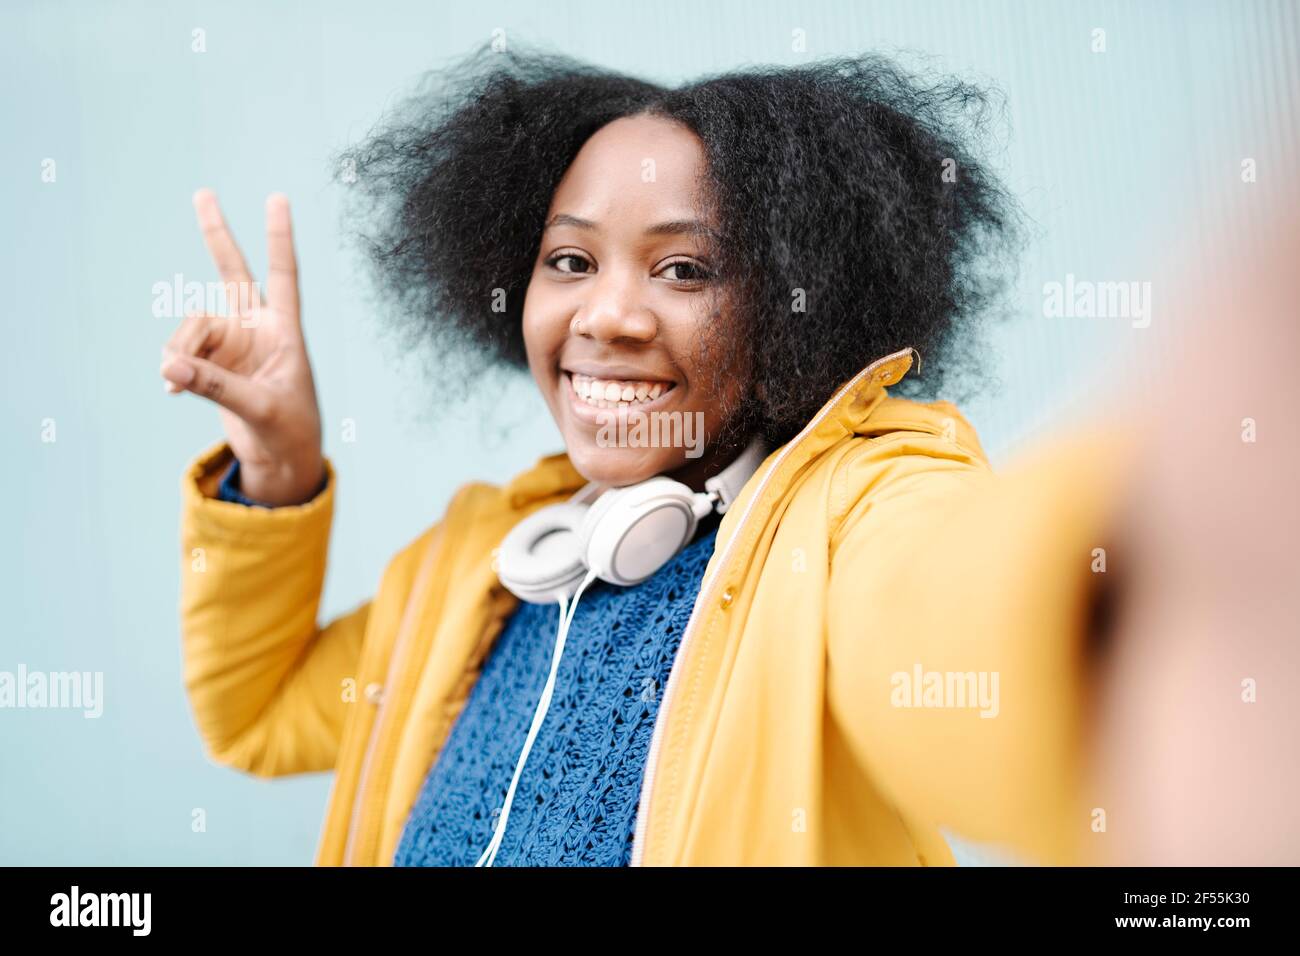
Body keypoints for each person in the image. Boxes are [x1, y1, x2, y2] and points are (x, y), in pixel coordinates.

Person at [162, 47, 1300, 867]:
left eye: (684, 270)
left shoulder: (848, 523)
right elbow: (260, 706)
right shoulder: (482, 564)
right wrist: (279, 465)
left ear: (796, 305)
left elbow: (959, 621)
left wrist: (1158, 563)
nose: (607, 315)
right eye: (570, 261)